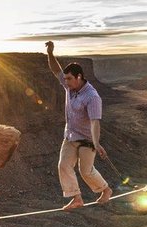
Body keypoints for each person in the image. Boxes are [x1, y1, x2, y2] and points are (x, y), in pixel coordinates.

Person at [46, 41, 113, 210]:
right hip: (70, 136)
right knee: (63, 165)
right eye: (65, 79)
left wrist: (96, 144)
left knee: (86, 171)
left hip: (87, 140)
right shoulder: (69, 87)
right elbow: (56, 70)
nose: (65, 82)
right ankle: (77, 198)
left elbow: (95, 121)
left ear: (79, 77)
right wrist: (50, 53)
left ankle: (106, 190)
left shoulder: (92, 97)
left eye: (69, 79)